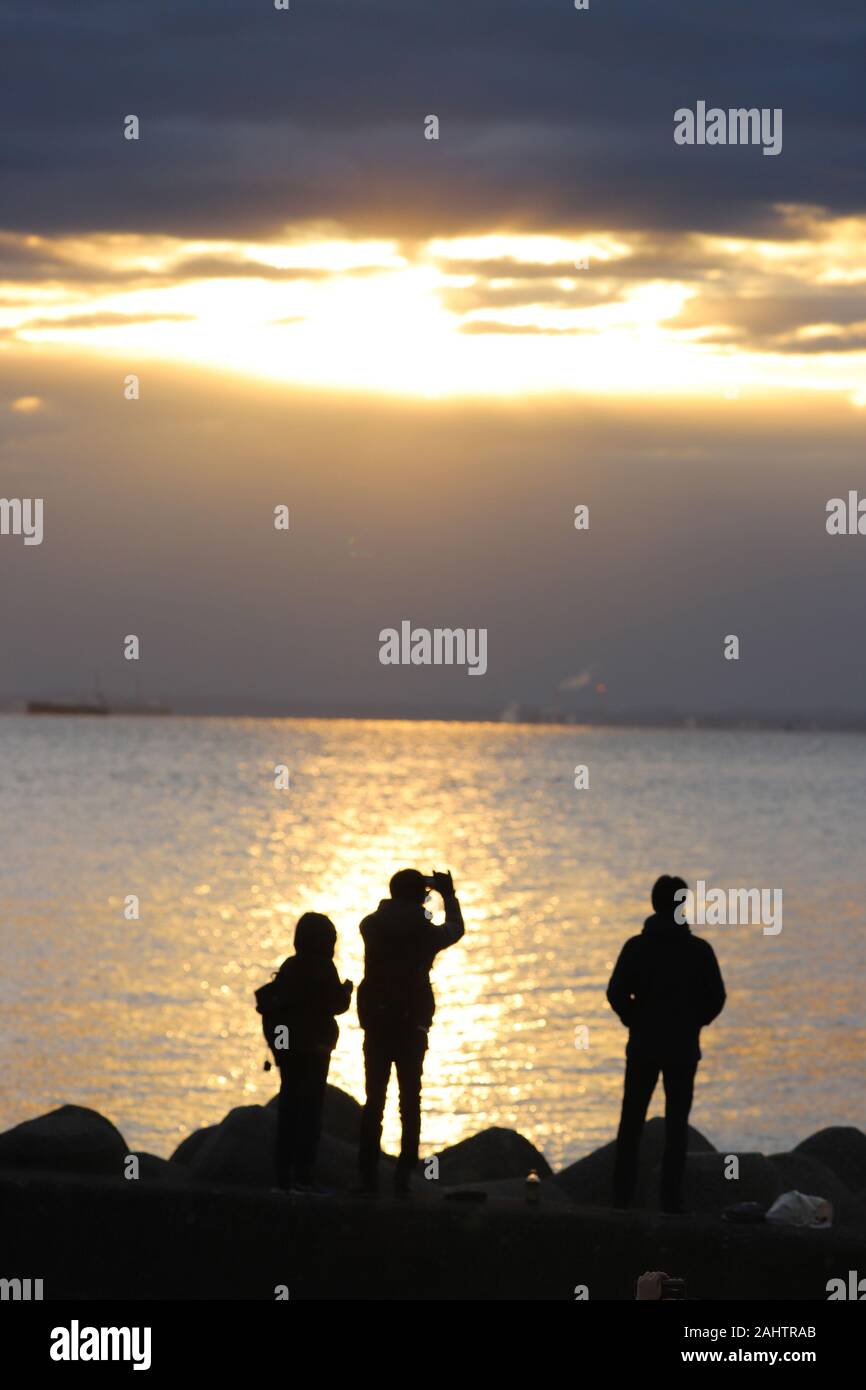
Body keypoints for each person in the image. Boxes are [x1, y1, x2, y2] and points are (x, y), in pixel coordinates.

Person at [606, 875, 726, 1214]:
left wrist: (634, 1019)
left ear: (654, 904)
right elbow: (716, 998)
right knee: (677, 1127)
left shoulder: (637, 947)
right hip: (683, 1050)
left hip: (643, 1046)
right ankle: (671, 1201)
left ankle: (621, 1200)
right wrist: (694, 1023)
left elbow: (615, 992)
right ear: (681, 905)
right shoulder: (699, 951)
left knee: (631, 1122)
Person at [356, 868, 465, 1195]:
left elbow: (390, 912)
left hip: (376, 1022)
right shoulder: (425, 931)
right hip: (411, 1025)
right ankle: (403, 1178)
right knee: (409, 1101)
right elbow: (456, 928)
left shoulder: (370, 926)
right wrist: (448, 894)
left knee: (374, 1101)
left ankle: (367, 1179)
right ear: (420, 896)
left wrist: (420, 892)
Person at [255, 913, 353, 1194]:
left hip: (289, 1050)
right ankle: (304, 1178)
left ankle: (283, 1178)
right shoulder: (324, 967)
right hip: (315, 1049)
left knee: (288, 1108)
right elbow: (335, 1005)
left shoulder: (290, 965)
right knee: (311, 1112)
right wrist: (346, 991)